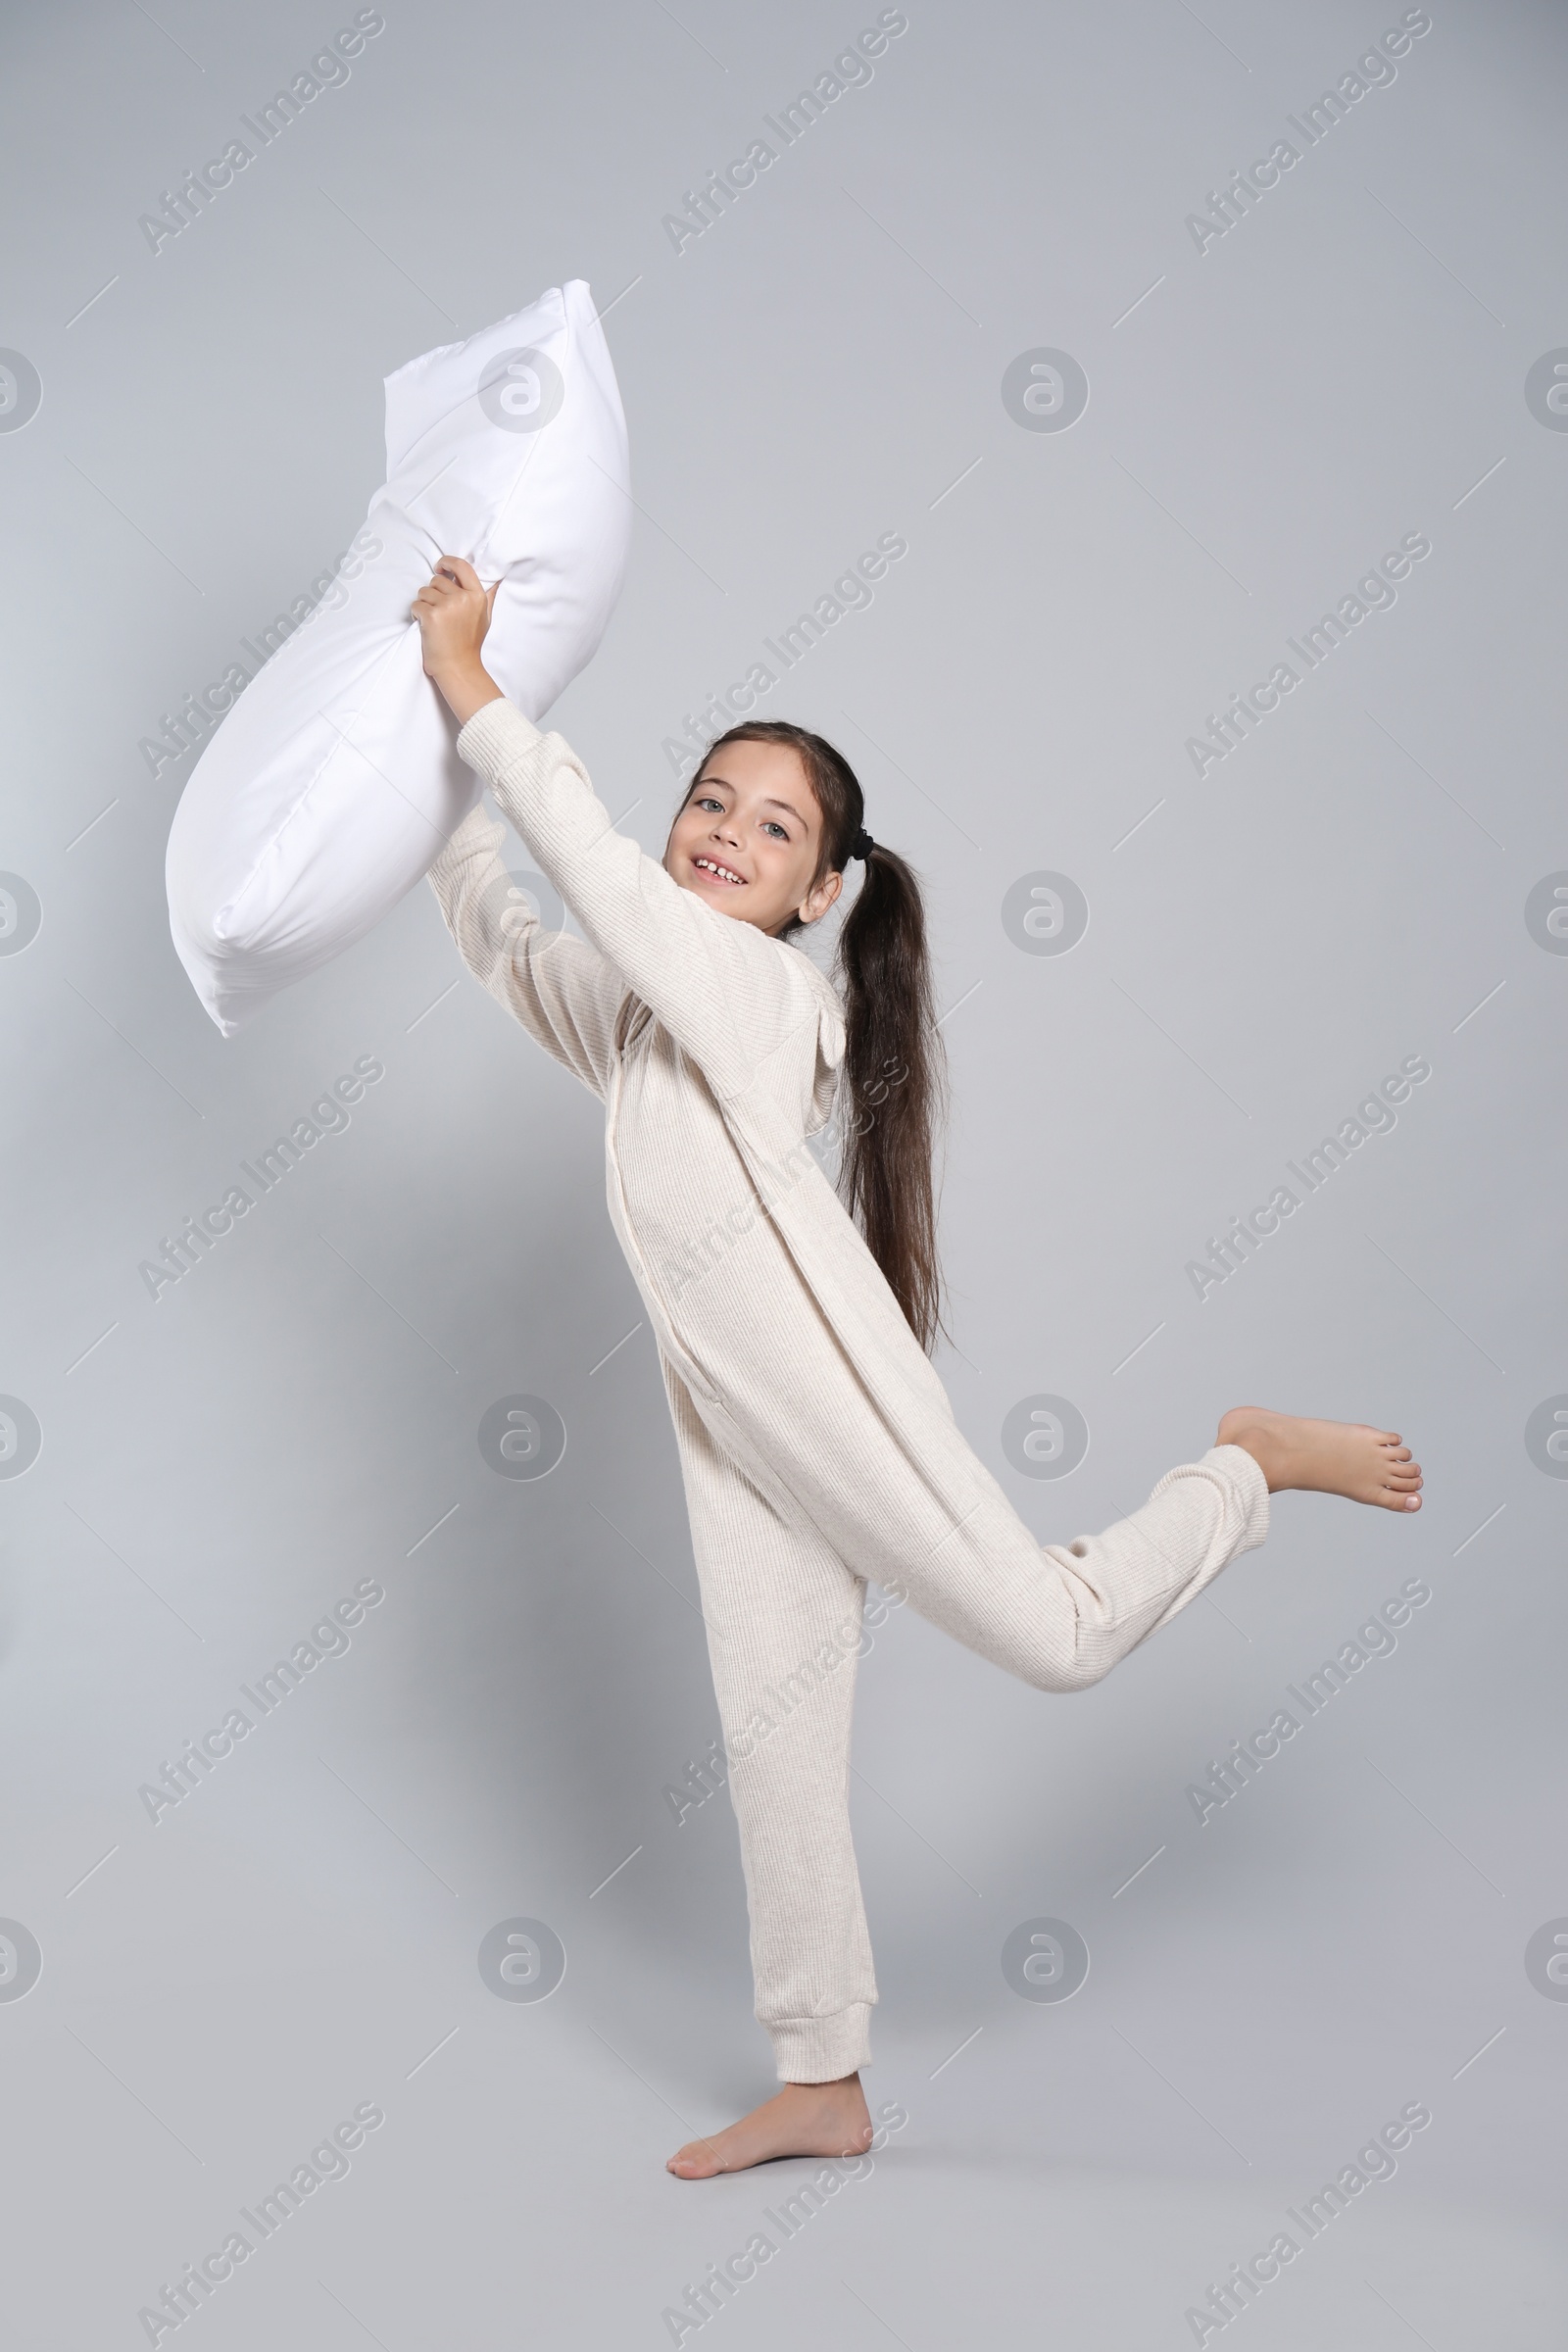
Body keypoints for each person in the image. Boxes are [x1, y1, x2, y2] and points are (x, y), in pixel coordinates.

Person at [412, 556, 1424, 2180]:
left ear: (818, 898)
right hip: (737, 1430)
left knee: (1056, 1634)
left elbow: (595, 877)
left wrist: (483, 700)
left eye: (772, 828)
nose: (724, 833)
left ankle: (1243, 1462)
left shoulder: (749, 994)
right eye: (710, 800)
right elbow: (515, 941)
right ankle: (825, 2080)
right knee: (776, 1743)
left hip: (838, 1405)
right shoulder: (648, 1014)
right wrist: (436, 778)